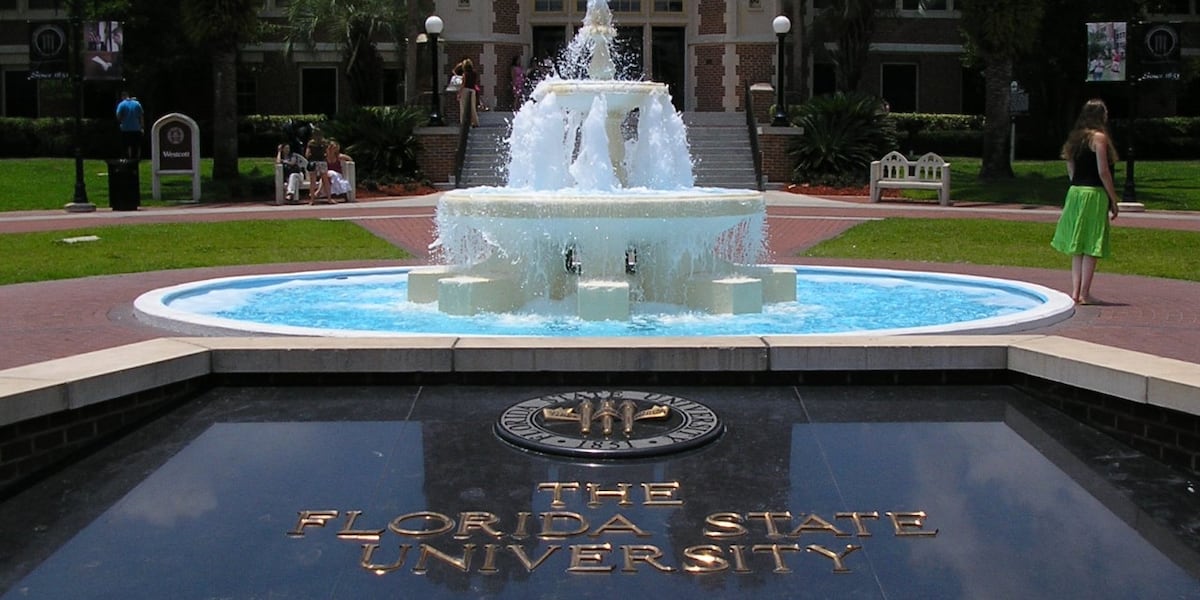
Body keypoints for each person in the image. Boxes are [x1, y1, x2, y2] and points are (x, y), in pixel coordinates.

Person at [1051, 99, 1120, 305]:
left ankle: (1076, 291)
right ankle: (1085, 293)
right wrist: (1113, 199)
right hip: (1093, 193)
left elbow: (1070, 166)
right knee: (1091, 242)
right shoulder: (1099, 138)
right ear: (1101, 116)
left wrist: (1076, 185)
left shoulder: (1075, 139)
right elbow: (1103, 171)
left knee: (1078, 244)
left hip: (1075, 192)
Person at [305, 127, 331, 204]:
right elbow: (327, 153)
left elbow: (307, 154)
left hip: (313, 162)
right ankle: (329, 199)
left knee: (312, 182)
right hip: (322, 161)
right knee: (325, 180)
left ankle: (312, 200)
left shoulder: (311, 143)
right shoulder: (325, 143)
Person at [115, 91, 144, 160]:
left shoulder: (121, 104)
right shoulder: (137, 104)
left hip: (125, 128)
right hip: (136, 128)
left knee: (125, 146)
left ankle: (126, 160)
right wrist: (142, 127)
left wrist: (122, 120)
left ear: (122, 97)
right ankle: (134, 161)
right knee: (135, 147)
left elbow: (118, 116)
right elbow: (141, 117)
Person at [458, 58, 479, 127]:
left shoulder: (465, 74)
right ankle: (475, 122)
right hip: (472, 90)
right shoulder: (474, 73)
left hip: (465, 90)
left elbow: (463, 84)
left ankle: (464, 122)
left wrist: (459, 93)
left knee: (463, 107)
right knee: (472, 107)